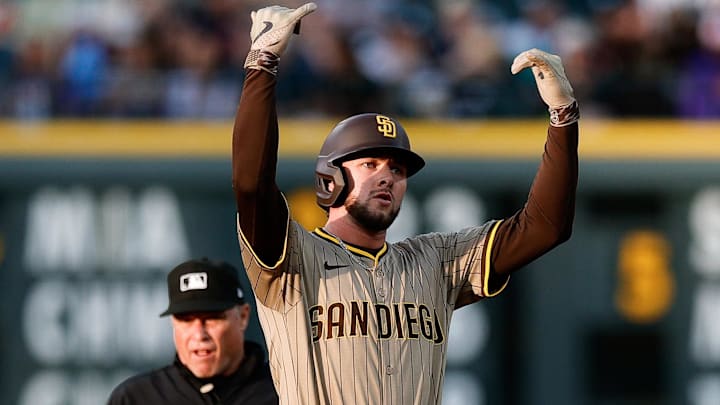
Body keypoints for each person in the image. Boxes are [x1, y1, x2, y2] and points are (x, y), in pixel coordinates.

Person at [232, 3, 579, 404]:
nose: (387, 176)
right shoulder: (292, 259)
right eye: (369, 163)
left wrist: (563, 118)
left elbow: (545, 227)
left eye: (397, 169)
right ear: (331, 177)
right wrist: (262, 65)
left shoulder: (434, 262)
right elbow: (251, 184)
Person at [107, 258, 278, 405]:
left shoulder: (282, 391)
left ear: (243, 316)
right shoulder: (136, 399)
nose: (199, 334)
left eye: (212, 318)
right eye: (186, 320)